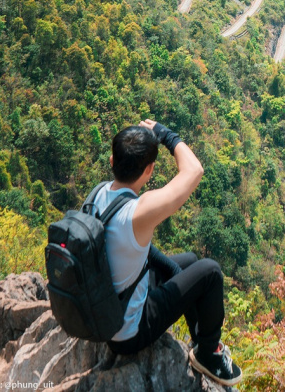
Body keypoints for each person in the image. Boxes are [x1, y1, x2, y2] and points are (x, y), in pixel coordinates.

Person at [92, 119, 242, 386]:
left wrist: (173, 271)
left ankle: (198, 339)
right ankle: (209, 352)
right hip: (129, 333)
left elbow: (131, 251)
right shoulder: (138, 212)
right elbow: (194, 170)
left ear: (112, 160)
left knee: (189, 263)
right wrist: (165, 135)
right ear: (149, 170)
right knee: (210, 272)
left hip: (107, 309)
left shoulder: (98, 195)